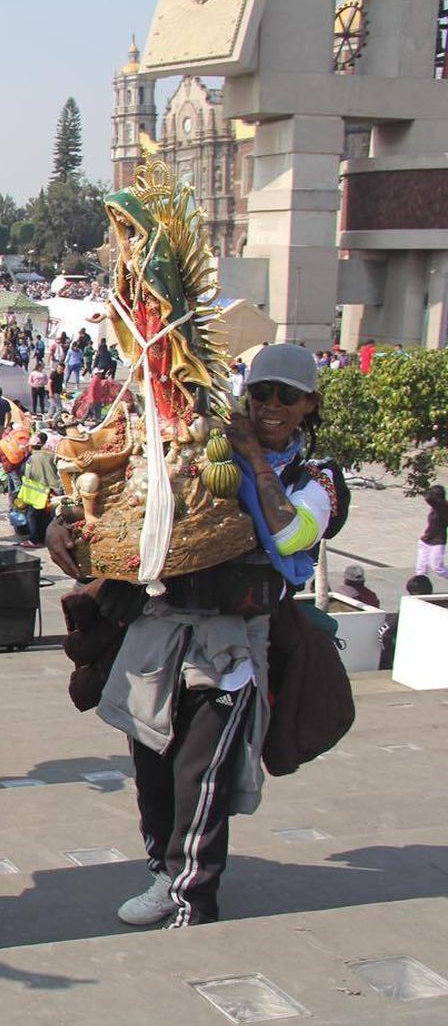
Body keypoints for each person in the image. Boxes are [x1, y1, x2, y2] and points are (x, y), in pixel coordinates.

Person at [102, 343, 339, 930]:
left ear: (309, 404)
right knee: (152, 761)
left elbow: (289, 538)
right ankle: (163, 870)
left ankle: (192, 898)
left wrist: (254, 458)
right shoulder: (203, 448)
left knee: (199, 772)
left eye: (287, 395)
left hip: (231, 646)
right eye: (261, 393)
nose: (272, 405)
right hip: (163, 630)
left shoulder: (319, 479)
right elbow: (134, 504)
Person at [419, 484, 448, 577]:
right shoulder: (435, 508)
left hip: (438, 541)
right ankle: (421, 588)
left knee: (438, 568)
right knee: (421, 569)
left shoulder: (443, 507)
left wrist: (425, 491)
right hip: (425, 540)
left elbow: (428, 498)